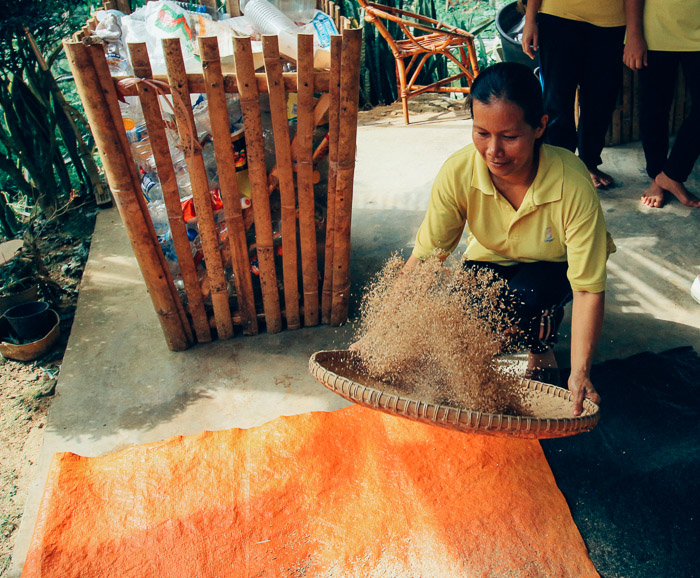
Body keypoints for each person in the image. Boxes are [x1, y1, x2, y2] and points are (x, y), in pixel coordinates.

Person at [406, 62, 613, 416]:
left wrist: (580, 373)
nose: (493, 151)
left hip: (552, 265)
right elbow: (424, 260)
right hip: (490, 256)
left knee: (526, 298)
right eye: (481, 133)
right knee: (465, 319)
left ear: (539, 127)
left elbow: (587, 288)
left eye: (510, 137)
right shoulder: (458, 172)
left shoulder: (572, 183)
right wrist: (386, 333)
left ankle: (540, 345)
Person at [521, 0, 626, 189]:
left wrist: (634, 31)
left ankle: (588, 163)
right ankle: (560, 166)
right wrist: (530, 20)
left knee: (601, 100)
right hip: (558, 16)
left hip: (611, 21)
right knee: (556, 101)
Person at [623, 0, 700, 209]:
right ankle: (657, 175)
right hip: (656, 32)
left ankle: (671, 174)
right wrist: (634, 35)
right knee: (654, 111)